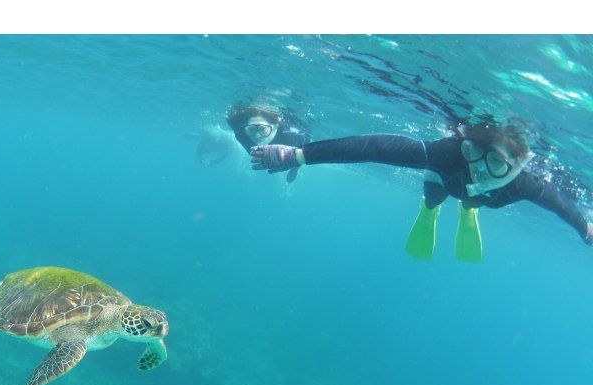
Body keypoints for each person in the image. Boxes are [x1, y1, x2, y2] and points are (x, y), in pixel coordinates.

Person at [248, 122, 593, 260]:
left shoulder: (528, 184)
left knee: (474, 197)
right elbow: (374, 147)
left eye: (495, 162)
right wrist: (298, 155)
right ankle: (430, 209)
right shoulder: (450, 152)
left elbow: (562, 205)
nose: (476, 165)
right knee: (434, 194)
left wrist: (586, 228)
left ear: (518, 165)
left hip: (486, 198)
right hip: (445, 179)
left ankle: (468, 208)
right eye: (474, 151)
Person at [226, 105, 311, 183]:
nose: (257, 135)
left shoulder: (287, 138)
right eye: (251, 129)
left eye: (263, 129)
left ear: (276, 127)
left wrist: (296, 163)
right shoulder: (243, 136)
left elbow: (307, 138)